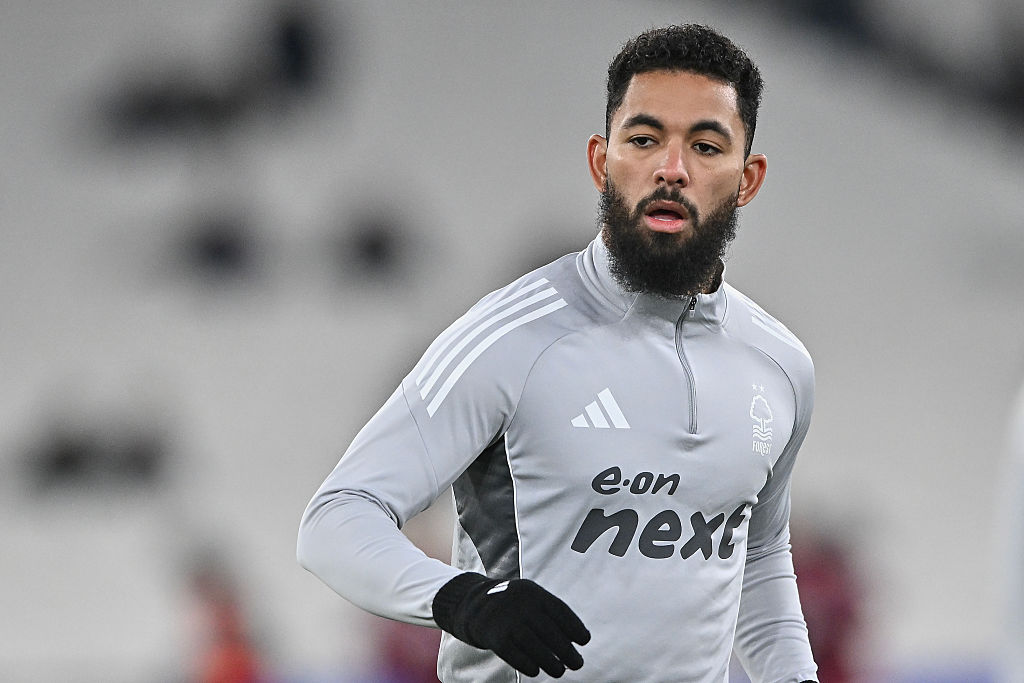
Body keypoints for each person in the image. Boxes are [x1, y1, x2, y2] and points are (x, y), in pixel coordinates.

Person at [298, 24, 819, 683]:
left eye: (706, 146)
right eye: (644, 139)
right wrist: (463, 600)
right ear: (602, 161)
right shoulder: (511, 339)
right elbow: (336, 517)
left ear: (748, 178)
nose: (672, 168)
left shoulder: (779, 366)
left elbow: (759, 556)